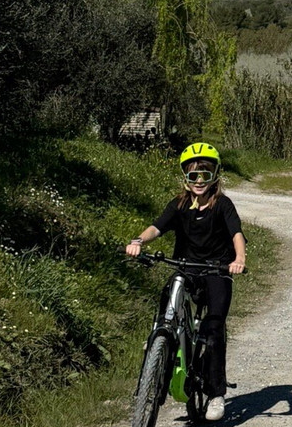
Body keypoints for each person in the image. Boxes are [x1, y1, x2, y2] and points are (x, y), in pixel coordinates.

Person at [125, 142, 246, 422]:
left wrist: (239, 258)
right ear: (185, 177)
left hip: (216, 270)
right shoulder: (179, 204)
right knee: (169, 291)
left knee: (213, 329)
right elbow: (157, 227)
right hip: (187, 268)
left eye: (205, 174)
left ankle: (215, 394)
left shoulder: (223, 205)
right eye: (193, 175)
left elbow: (236, 234)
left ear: (215, 176)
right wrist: (138, 241)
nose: (199, 181)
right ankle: (161, 342)